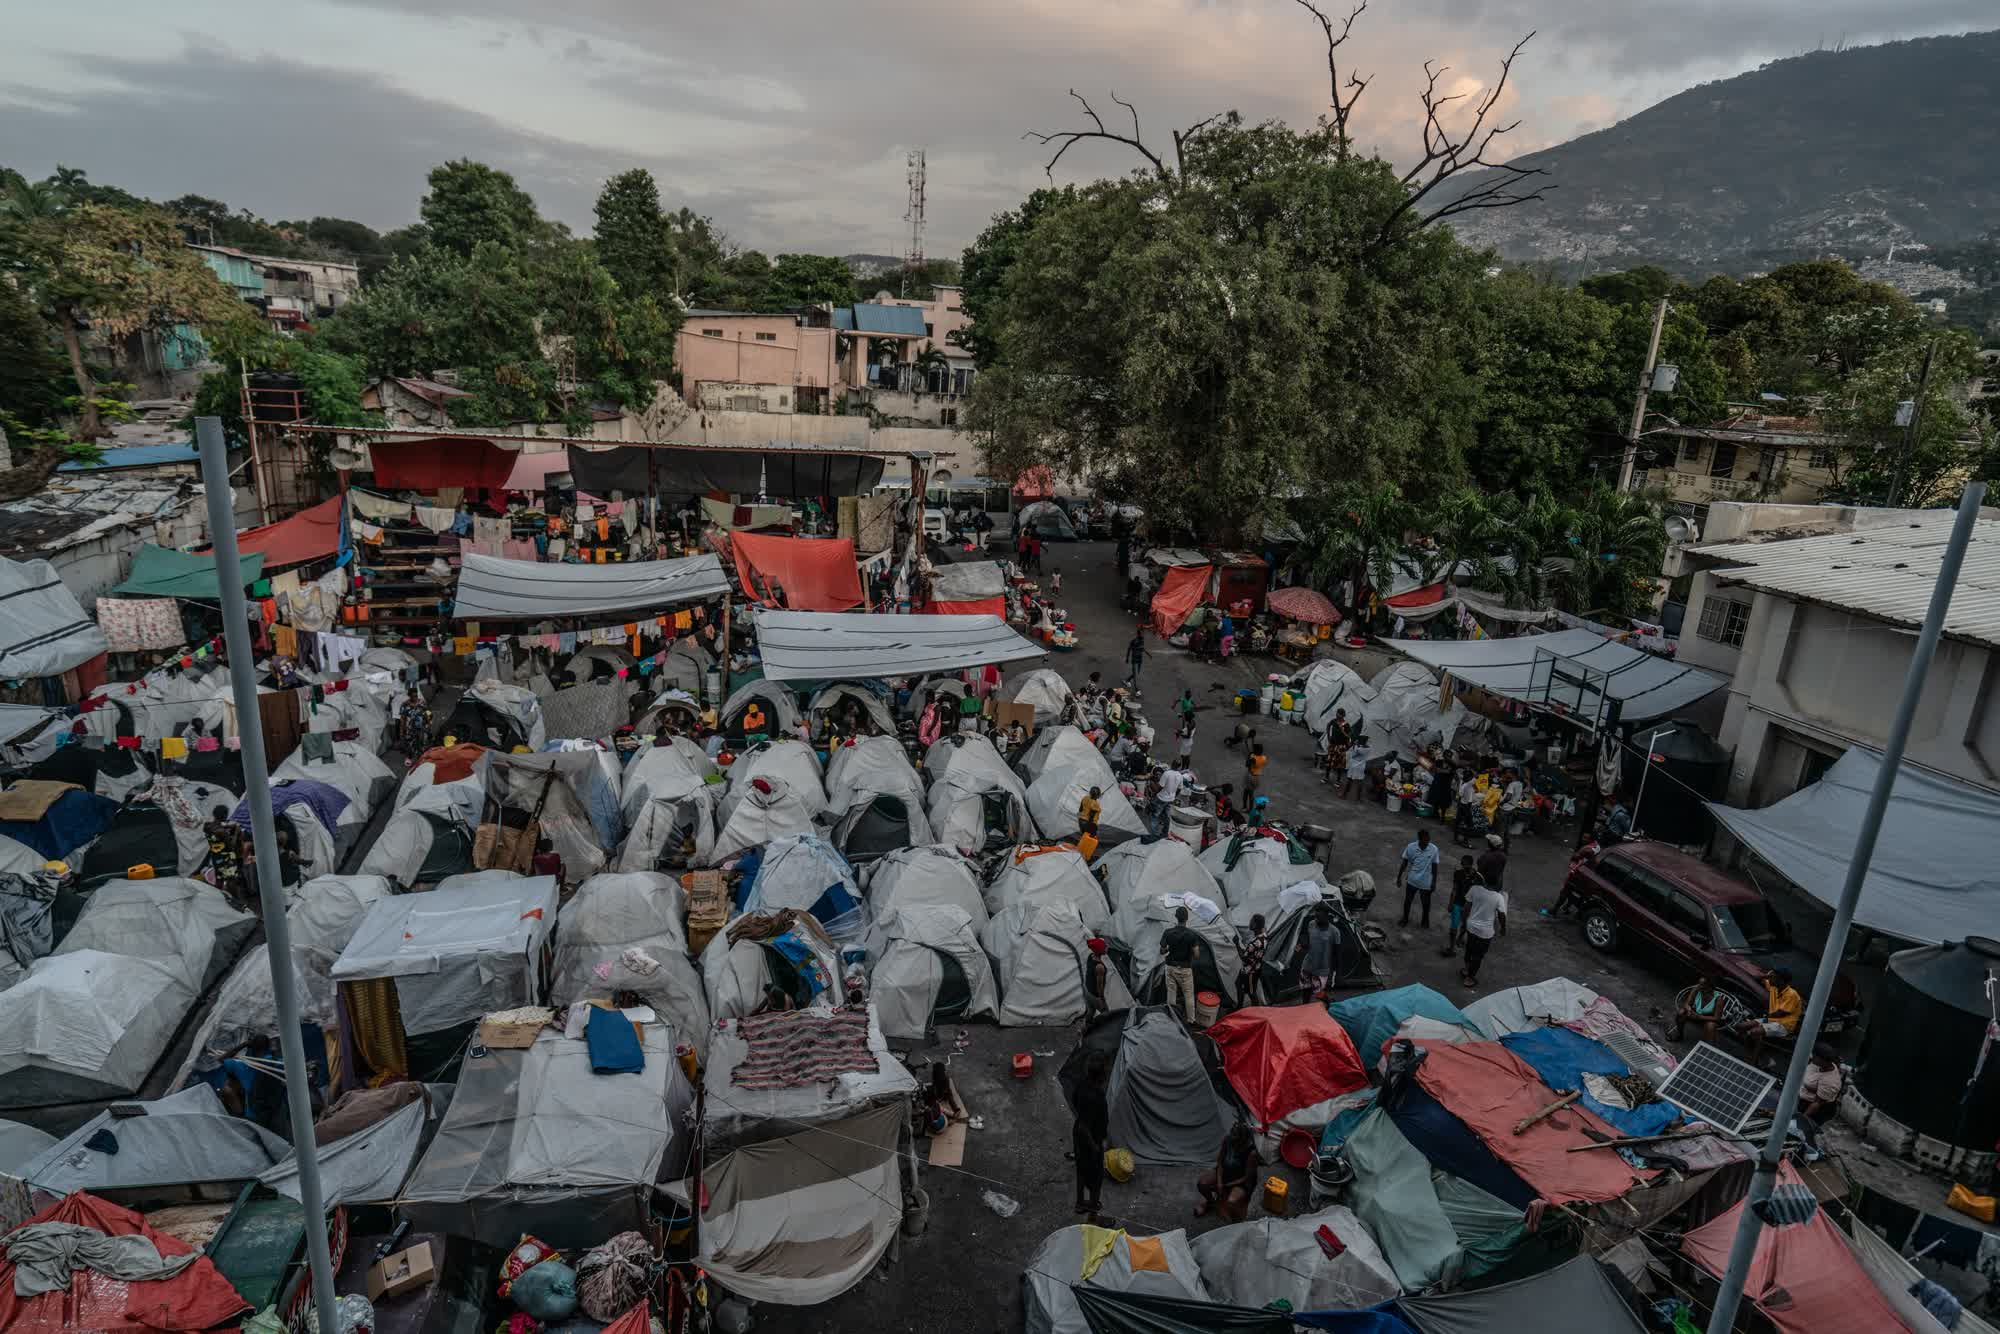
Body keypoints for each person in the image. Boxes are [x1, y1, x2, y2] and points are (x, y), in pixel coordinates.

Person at [1195, 1122, 1259, 1223]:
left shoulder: (1251, 1153)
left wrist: (1226, 1185)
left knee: (1231, 1201)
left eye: (1235, 1136)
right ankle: (1212, 1203)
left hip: (1240, 1181)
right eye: (1232, 1134)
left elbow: (1247, 1177)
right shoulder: (1227, 1140)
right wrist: (1220, 1182)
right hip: (1225, 1173)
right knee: (1202, 1184)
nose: (1232, 1138)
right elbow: (1220, 1162)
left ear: (1242, 1139)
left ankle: (1236, 1221)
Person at [1737, 967, 1802, 1064]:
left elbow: (1780, 1014)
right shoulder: (1774, 987)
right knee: (1741, 1026)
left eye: (1773, 977)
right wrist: (1767, 975)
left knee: (1754, 1032)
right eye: (1770, 977)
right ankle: (1763, 1057)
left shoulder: (1792, 995)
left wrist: (1761, 1017)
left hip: (1784, 1025)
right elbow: (1756, 978)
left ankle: (1752, 1061)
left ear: (1781, 981)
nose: (1770, 979)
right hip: (1770, 1020)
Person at [1072, 1054, 1110, 1216]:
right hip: (1090, 1140)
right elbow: (1084, 1127)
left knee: (1081, 1169)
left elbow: (1074, 1102)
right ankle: (1093, 1213)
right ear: (1101, 1076)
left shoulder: (1081, 1085)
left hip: (1079, 1138)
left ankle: (1080, 1202)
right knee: (1096, 1178)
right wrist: (1095, 1146)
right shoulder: (1097, 1097)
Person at [1460, 874, 1507, 990]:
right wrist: (1503, 928)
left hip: (1471, 927)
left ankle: (1466, 969)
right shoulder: (1498, 897)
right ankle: (1469, 979)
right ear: (1497, 884)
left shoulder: (1475, 889)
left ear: (1485, 881)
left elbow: (1466, 908)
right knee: (1478, 955)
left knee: (1469, 949)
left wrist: (1464, 923)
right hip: (1485, 932)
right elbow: (1502, 915)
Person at [1160, 906, 1206, 1023]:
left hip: (1170, 967)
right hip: (1185, 969)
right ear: (1187, 918)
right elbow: (1196, 955)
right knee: (1188, 995)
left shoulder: (1168, 932)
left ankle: (1172, 1017)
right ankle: (1191, 1020)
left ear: (1176, 917)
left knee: (1171, 993)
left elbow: (1162, 951)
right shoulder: (1191, 935)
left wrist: (1168, 949)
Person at [1396, 828, 1442, 928]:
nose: (1427, 842)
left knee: (1426, 904)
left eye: (1428, 840)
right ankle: (1405, 919)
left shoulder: (1434, 849)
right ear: (1419, 839)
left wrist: (1434, 882)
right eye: (1425, 840)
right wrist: (1399, 877)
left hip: (1426, 883)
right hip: (1412, 880)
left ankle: (1425, 921)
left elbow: (1435, 867)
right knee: (1408, 901)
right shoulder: (1411, 847)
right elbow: (1404, 863)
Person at [1295, 902, 1340, 1000]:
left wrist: (1333, 973)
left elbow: (1335, 954)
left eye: (1319, 916)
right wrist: (1302, 946)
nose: (1316, 919)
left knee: (1319, 994)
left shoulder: (1334, 932)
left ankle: (1329, 1004)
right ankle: (1305, 1011)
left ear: (1327, 915)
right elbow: (1308, 942)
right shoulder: (1311, 924)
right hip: (1307, 966)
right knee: (1305, 992)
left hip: (1322, 969)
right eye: (1316, 916)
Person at [1672, 973, 1728, 1044]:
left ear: (1710, 987)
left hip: (1709, 1018)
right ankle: (1679, 1035)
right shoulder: (1696, 989)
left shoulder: (1718, 999)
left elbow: (1717, 1018)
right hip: (1696, 1014)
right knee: (1681, 1012)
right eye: (1699, 984)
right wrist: (1689, 1009)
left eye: (1702, 985)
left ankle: (1707, 1046)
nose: (1699, 986)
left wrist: (1700, 1017)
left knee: (1710, 1026)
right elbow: (1686, 1003)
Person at [1442, 855, 1477, 957]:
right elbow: (1454, 889)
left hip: (1468, 905)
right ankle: (1452, 947)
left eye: (1464, 863)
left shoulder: (1476, 876)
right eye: (1462, 863)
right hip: (1459, 903)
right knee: (1454, 927)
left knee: (1465, 926)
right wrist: (1451, 903)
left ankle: (1460, 938)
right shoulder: (1458, 873)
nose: (1462, 864)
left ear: (1470, 864)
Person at [1800, 1044, 1845, 1123]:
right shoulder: (1818, 1063)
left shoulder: (1830, 1082)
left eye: (1814, 1056)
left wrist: (1802, 1118)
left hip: (1812, 1109)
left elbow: (1817, 1103)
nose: (1812, 1056)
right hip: (1802, 1098)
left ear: (1822, 1060)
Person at [1238, 912, 1268, 1008]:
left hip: (1250, 971)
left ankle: (1257, 1012)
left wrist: (1236, 945)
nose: (1249, 923)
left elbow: (1244, 957)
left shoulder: (1255, 942)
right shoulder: (1264, 937)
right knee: (1240, 986)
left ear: (1255, 925)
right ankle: (1239, 1007)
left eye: (1251, 921)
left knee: (1251, 992)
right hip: (1255, 968)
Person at [1083, 938, 1112, 1022]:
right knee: (1107, 1015)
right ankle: (1106, 1032)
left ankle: (1084, 1029)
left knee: (1091, 1011)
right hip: (1095, 996)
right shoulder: (1100, 967)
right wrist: (1102, 999)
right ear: (1100, 950)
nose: (1107, 947)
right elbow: (1099, 986)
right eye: (1105, 947)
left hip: (1087, 990)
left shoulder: (1091, 956)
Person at [1342, 735, 1370, 800]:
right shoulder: (1368, 748)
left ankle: (1344, 795)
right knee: (1360, 781)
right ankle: (1358, 797)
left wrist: (1354, 745)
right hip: (1361, 766)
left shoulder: (1357, 748)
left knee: (1350, 780)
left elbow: (1353, 754)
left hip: (1354, 766)